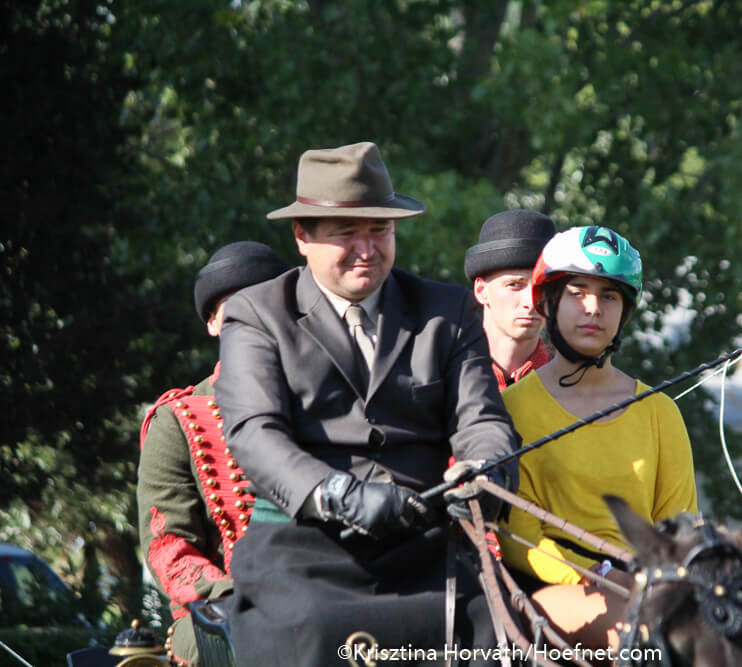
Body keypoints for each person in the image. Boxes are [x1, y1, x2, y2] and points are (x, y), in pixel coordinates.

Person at [214, 141, 520, 666]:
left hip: (423, 548)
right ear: (302, 236)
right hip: (302, 549)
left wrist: (484, 469)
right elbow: (255, 433)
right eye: (346, 233)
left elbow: (482, 418)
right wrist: (337, 494)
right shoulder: (257, 314)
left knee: (495, 633)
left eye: (380, 230)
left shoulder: (447, 312)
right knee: (316, 634)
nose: (367, 248)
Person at [497, 225, 699, 650]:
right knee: (650, 641)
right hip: (552, 590)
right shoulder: (512, 408)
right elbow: (520, 538)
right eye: (577, 293)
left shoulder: (660, 412)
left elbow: (680, 529)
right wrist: (600, 575)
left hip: (649, 590)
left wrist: (650, 581)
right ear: (549, 303)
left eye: (609, 296)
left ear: (624, 312)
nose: (593, 308)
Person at [137, 241, 291, 666]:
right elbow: (169, 545)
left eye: (267, 306)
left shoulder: (334, 401)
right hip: (226, 607)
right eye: (237, 309)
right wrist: (234, 596)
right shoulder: (178, 419)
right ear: (213, 323)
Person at [464, 209, 555, 390]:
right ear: (481, 290)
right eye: (514, 285)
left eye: (542, 287)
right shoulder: (445, 375)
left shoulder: (572, 387)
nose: (531, 302)